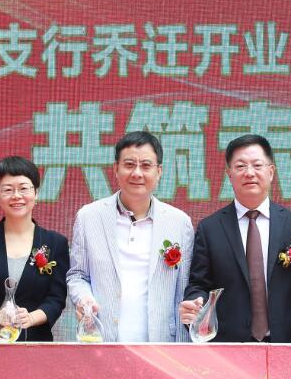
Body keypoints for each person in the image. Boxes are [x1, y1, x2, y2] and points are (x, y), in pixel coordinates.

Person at [180, 134, 291, 342]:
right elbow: (199, 284)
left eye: (257, 165)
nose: (249, 173)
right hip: (228, 345)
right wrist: (195, 303)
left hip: (285, 343)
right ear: (229, 174)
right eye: (240, 166)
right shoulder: (210, 228)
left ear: (271, 172)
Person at [67, 131, 195, 342]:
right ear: (116, 169)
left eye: (146, 166)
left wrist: (182, 348)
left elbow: (183, 289)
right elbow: (77, 275)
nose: (137, 173)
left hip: (161, 344)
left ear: (159, 172)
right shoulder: (89, 217)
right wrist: (84, 298)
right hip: (102, 340)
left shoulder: (179, 222)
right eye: (129, 165)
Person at [0, 156, 68, 341]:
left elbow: (56, 299)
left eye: (24, 188)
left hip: (33, 341)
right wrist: (0, 316)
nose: (16, 196)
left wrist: (30, 318)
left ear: (36, 192)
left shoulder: (56, 242)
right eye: (8, 190)